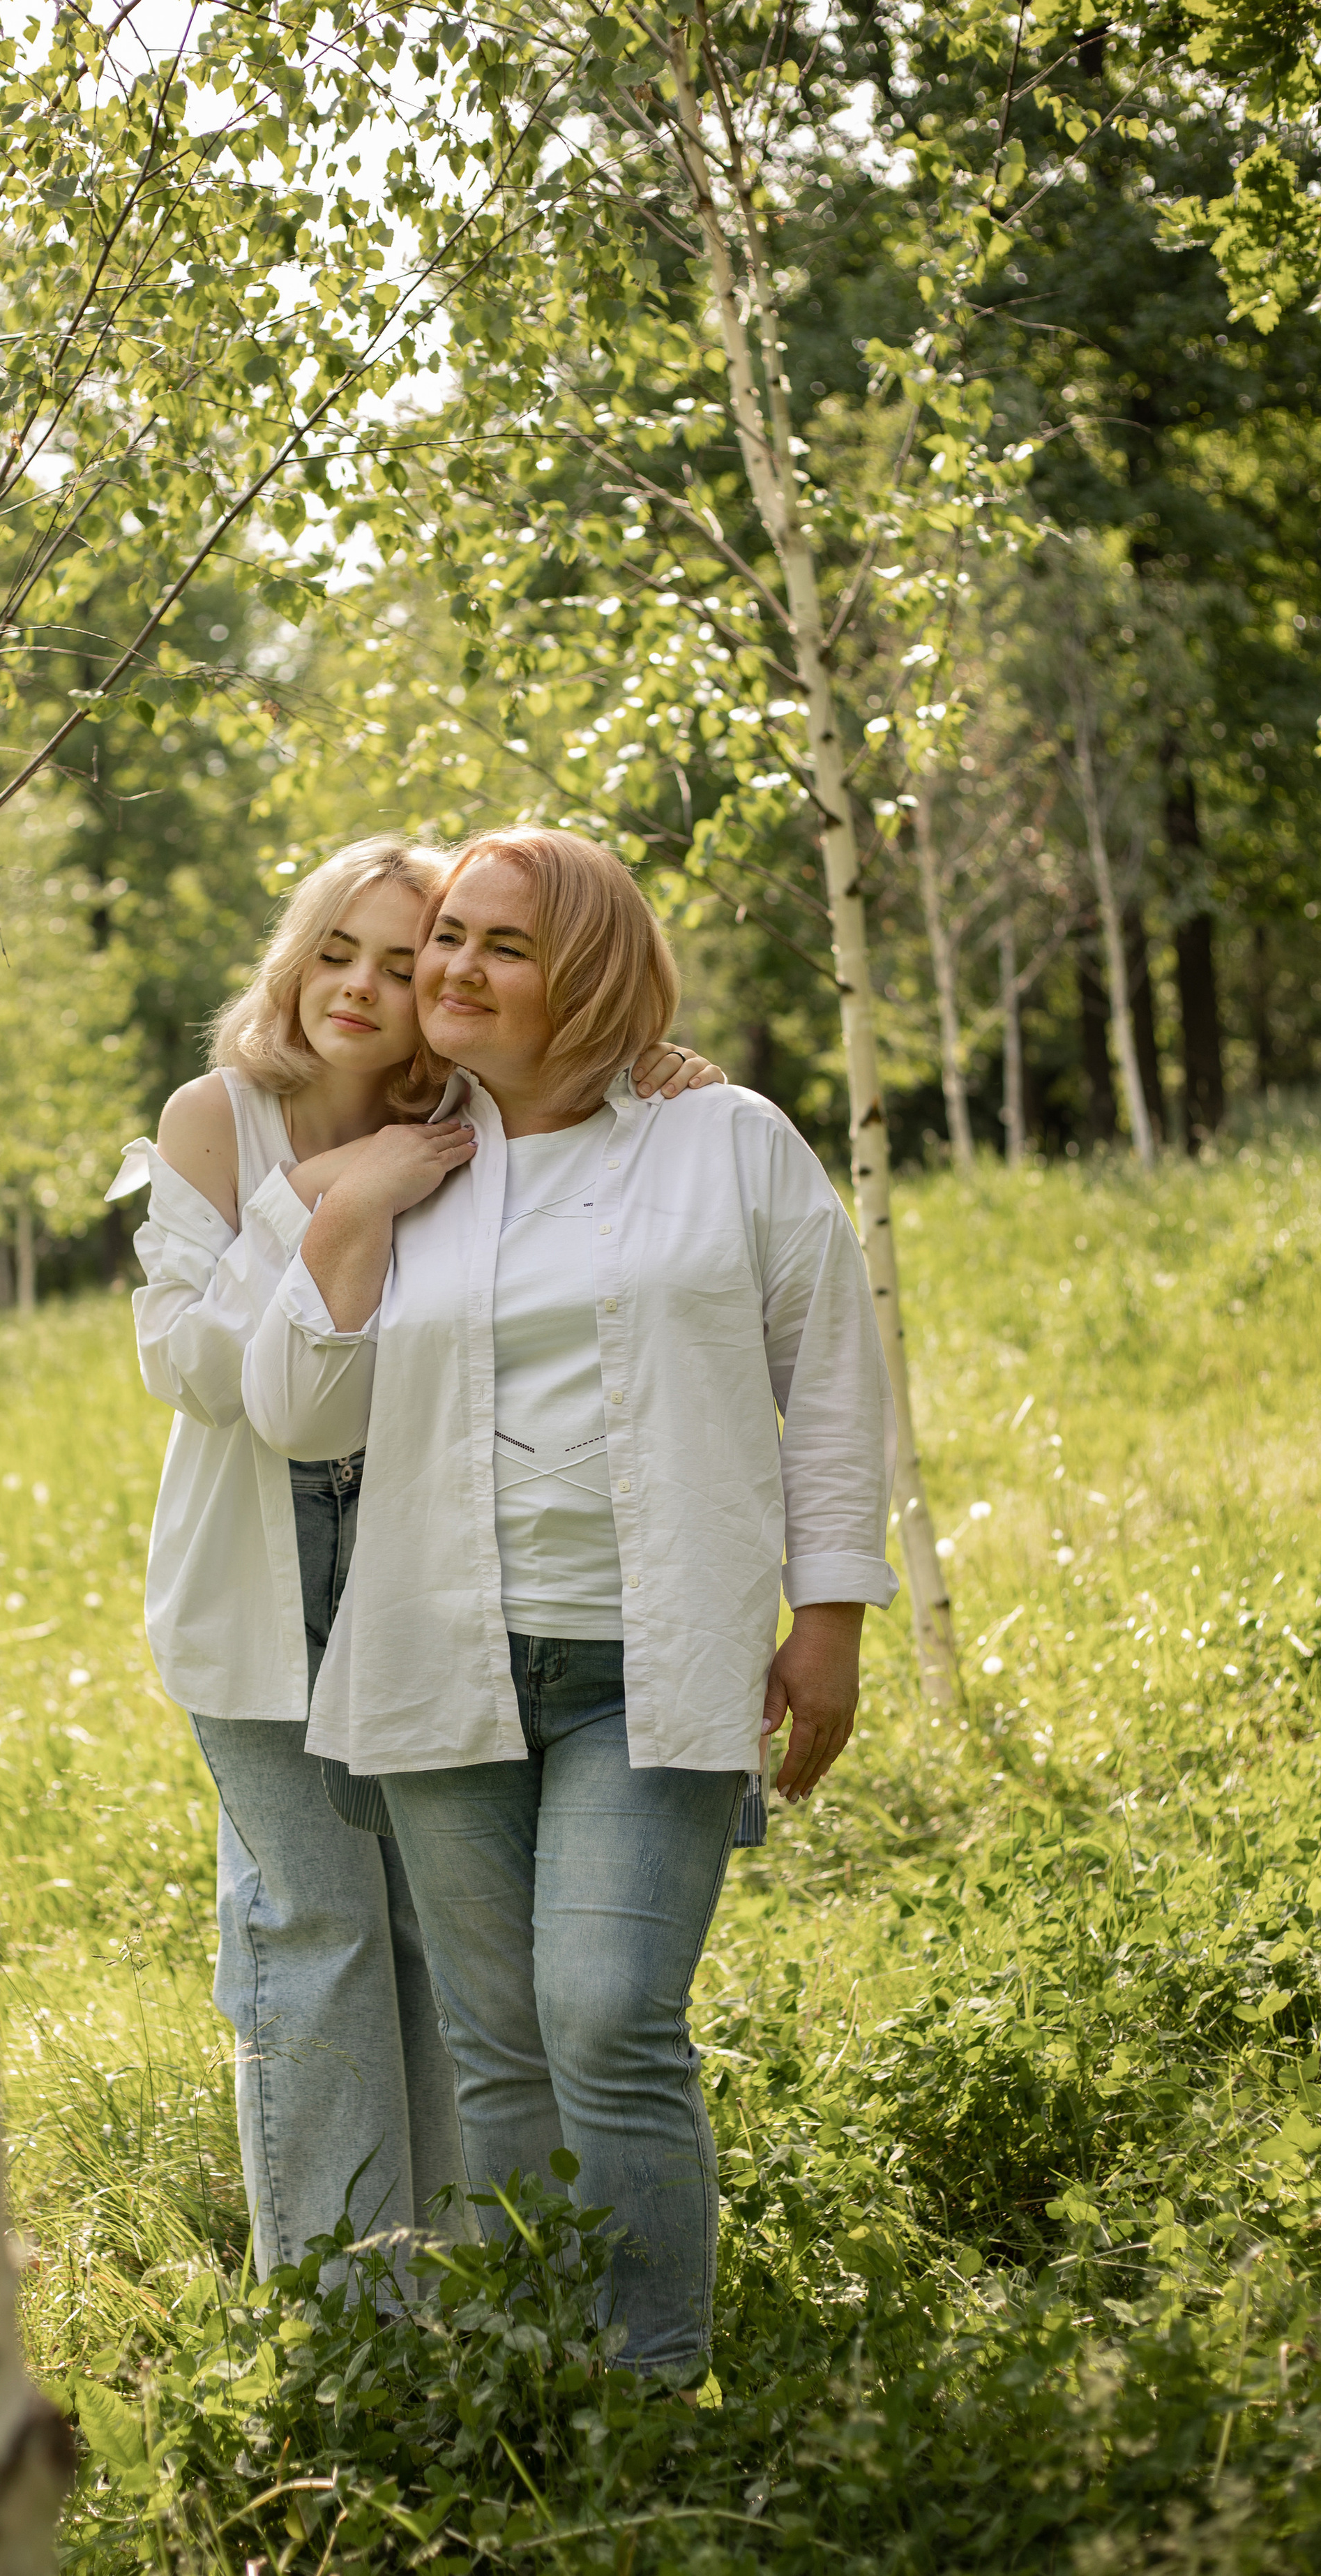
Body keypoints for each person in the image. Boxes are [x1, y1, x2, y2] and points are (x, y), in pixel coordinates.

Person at [242, 827, 897, 2377]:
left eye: (499, 945)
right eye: (445, 937)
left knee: (604, 2013)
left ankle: (650, 2378)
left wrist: (832, 1615)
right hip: (437, 1660)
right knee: (498, 2047)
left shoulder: (722, 1136)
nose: (451, 969)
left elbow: (828, 1373)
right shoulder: (401, 1163)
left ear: (587, 972)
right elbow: (292, 1413)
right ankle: (542, 2366)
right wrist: (340, 1224)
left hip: (647, 1664)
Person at [112, 834, 724, 2284]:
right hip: (261, 1582)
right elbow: (196, 1370)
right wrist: (326, 1201)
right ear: (295, 954)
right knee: (314, 1927)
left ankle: (459, 2283)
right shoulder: (219, 1119)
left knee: (445, 1949)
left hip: (432, 1571)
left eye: (404, 961)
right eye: (338, 950)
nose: (364, 987)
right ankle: (343, 2312)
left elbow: (586, 1110)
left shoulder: (468, 1112)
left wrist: (666, 1072)